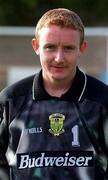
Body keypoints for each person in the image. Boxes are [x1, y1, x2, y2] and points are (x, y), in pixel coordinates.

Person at [0, 8, 108, 180]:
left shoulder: (102, 101)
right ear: (36, 46)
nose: (59, 58)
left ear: (82, 48)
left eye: (68, 48)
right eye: (50, 47)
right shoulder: (10, 101)